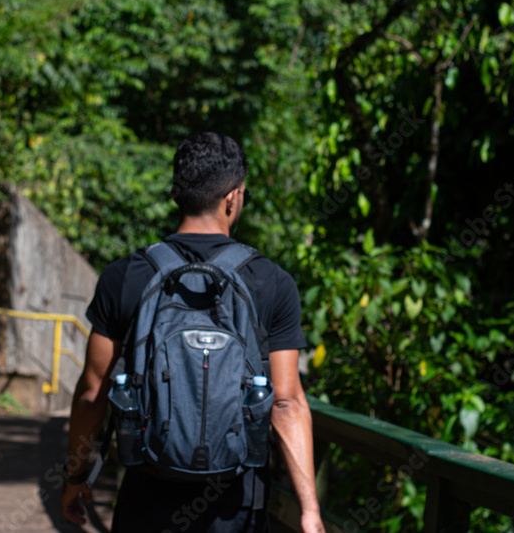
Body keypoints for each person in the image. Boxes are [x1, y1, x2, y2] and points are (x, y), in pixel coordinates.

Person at [61, 132, 324, 533]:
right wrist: (309, 510)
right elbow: (287, 404)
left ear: (176, 195)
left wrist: (76, 476)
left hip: (147, 498)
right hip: (238, 505)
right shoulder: (271, 282)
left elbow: (92, 393)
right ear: (233, 198)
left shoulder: (126, 277)